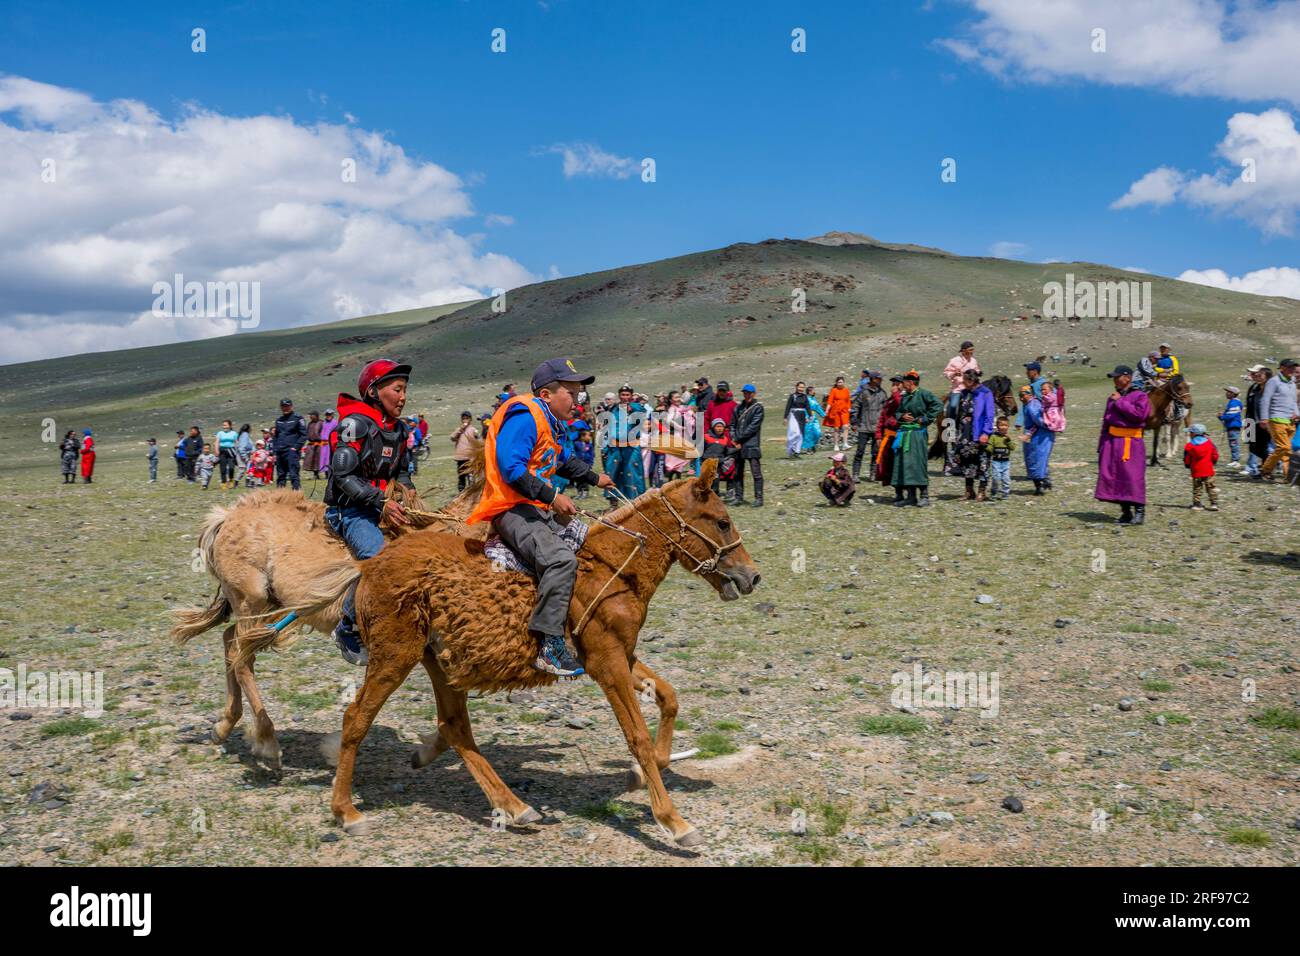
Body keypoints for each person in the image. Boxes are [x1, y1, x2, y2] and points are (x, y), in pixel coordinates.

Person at [467, 358, 614, 677]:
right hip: (510, 507)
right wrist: (552, 496)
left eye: (581, 396)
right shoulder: (526, 416)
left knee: (589, 542)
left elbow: (561, 460)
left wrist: (594, 478)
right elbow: (512, 468)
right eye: (573, 394)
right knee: (561, 560)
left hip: (534, 506)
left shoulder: (549, 421)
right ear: (546, 394)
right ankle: (550, 647)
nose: (578, 402)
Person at [325, 359, 419, 665]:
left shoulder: (399, 429)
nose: (403, 397)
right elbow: (343, 475)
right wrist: (380, 502)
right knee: (379, 559)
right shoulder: (354, 424)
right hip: (350, 510)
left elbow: (402, 470)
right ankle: (348, 626)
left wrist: (407, 489)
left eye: (405, 390)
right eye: (397, 389)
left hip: (381, 506)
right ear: (375, 391)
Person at [1096, 365, 1151, 525]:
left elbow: (1139, 416)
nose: (1114, 380)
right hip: (1112, 442)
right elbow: (1106, 421)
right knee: (1115, 476)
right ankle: (1125, 512)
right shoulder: (1113, 397)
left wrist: (1120, 402)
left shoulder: (1140, 396)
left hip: (1131, 443)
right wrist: (1102, 444)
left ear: (1127, 377)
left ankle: (1139, 511)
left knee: (1132, 477)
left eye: (1117, 377)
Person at [890, 371, 943, 506]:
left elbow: (938, 405)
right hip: (905, 433)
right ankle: (911, 496)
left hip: (917, 434)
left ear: (911, 382)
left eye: (904, 382)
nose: (902, 385)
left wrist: (925, 418)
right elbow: (897, 412)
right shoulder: (905, 397)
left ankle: (924, 496)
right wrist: (902, 416)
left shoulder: (924, 394)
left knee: (918, 463)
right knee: (906, 464)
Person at [946, 368, 995, 500]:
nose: (962, 382)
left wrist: (986, 432)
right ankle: (969, 491)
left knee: (982, 461)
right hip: (965, 432)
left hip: (979, 432)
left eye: (964, 380)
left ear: (971, 380)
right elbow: (958, 413)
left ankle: (982, 491)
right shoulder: (964, 393)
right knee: (967, 460)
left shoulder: (985, 393)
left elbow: (989, 414)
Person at [1256, 358, 1299, 482]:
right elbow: (1265, 400)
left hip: (1290, 420)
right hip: (1276, 418)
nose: (1292, 370)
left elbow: (1293, 401)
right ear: (1282, 368)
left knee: (1287, 450)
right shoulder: (1274, 381)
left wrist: (1297, 414)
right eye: (1289, 367)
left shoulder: (1291, 382)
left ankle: (1288, 476)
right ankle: (1266, 469)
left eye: (1293, 367)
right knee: (1283, 447)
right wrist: (1264, 418)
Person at [604, 384, 647, 503]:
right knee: (613, 472)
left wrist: (632, 409)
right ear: (619, 396)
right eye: (623, 395)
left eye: (627, 395)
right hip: (616, 447)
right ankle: (613, 502)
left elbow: (642, 413)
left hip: (631, 447)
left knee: (633, 472)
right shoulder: (614, 409)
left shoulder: (636, 407)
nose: (625, 397)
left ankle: (636, 501)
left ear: (631, 396)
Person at [730, 384, 765, 507]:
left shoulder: (758, 408)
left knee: (756, 472)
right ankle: (738, 497)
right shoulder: (738, 408)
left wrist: (738, 439)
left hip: (752, 444)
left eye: (749, 393)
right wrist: (734, 439)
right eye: (745, 393)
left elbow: (753, 427)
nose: (747, 395)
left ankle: (759, 498)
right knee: (738, 473)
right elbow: (732, 425)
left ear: (754, 393)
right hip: (739, 445)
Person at [850, 370, 886, 481]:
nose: (881, 380)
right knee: (860, 451)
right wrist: (854, 422)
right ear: (873, 379)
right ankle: (855, 474)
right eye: (879, 378)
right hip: (864, 426)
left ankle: (873, 473)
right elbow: (855, 407)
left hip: (877, 428)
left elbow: (886, 410)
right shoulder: (864, 392)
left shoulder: (882, 393)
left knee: (875, 452)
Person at [1019, 384, 1055, 494]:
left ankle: (1041, 485)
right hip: (1039, 435)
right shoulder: (1034, 403)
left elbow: (1040, 421)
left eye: (1022, 395)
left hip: (1040, 437)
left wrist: (1029, 433)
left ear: (1029, 394)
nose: (1021, 398)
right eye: (1020, 396)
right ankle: (1043, 483)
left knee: (1036, 460)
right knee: (1038, 460)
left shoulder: (1032, 405)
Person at [876, 375, 904, 493]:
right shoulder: (890, 400)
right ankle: (897, 490)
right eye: (893, 384)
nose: (894, 386)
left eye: (897, 384)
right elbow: (882, 417)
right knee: (888, 464)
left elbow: (899, 405)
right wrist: (878, 435)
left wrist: (896, 393)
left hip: (897, 436)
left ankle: (901, 490)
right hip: (887, 436)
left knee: (897, 464)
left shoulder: (902, 398)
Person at [1183, 423, 1220, 511]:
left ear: (1194, 434)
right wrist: (1213, 462)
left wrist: (1187, 464)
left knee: (1197, 488)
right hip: (1208, 470)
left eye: (1190, 432)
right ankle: (1214, 503)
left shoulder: (1189, 445)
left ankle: (1197, 504)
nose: (1189, 434)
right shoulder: (1209, 443)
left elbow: (1187, 458)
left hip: (1196, 471)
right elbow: (1215, 455)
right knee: (1211, 486)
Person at [271, 398, 307, 490]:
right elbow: (275, 437)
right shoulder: (279, 420)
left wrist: (296, 447)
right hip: (280, 452)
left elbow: (304, 435)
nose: (285, 408)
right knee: (281, 476)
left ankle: (297, 497)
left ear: (291, 406)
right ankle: (280, 498)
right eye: (283, 406)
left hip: (291, 452)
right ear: (281, 407)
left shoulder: (298, 418)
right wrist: (275, 452)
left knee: (293, 475)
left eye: (287, 406)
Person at [1243, 365, 1272, 476]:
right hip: (1250, 421)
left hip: (1264, 422)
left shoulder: (1270, 388)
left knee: (1263, 446)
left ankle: (1265, 470)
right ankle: (1264, 466)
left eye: (1256, 373)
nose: (1254, 375)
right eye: (1253, 373)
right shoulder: (1253, 388)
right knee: (1252, 447)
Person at [942, 341, 980, 422]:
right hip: (958, 389)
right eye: (970, 350)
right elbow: (946, 373)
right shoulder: (954, 360)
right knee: (953, 406)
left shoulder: (974, 361)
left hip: (971, 388)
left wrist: (978, 373)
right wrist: (954, 373)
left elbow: (977, 371)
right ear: (963, 350)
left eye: (973, 350)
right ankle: (950, 425)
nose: (972, 352)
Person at [702, 417, 738, 496]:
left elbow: (726, 451)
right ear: (713, 427)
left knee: (716, 480)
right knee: (706, 480)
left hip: (717, 464)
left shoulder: (724, 439)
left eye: (721, 427)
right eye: (717, 426)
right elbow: (701, 449)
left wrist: (736, 449)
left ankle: (714, 494)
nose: (719, 429)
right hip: (707, 462)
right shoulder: (706, 437)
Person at [451, 411, 479, 491]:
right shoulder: (459, 430)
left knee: (471, 477)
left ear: (470, 419)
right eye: (463, 419)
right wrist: (460, 429)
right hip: (460, 458)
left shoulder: (473, 430)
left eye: (467, 418)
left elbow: (478, 441)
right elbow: (452, 437)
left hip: (470, 458)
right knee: (461, 476)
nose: (465, 420)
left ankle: (472, 492)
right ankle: (461, 493)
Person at [987, 416, 1014, 500]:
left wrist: (1009, 441)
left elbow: (1013, 448)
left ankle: (1005, 493)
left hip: (1006, 462)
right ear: (998, 426)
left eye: (1006, 425)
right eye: (1002, 425)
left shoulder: (1008, 438)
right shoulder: (994, 437)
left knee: (1006, 479)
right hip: (996, 461)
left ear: (1008, 427)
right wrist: (987, 448)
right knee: (996, 477)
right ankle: (994, 492)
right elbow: (990, 446)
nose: (1004, 427)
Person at [824, 377, 852, 451]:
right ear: (836, 383)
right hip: (836, 411)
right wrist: (827, 409)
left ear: (843, 382)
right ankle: (836, 445)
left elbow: (848, 400)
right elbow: (830, 401)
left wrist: (849, 408)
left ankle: (845, 444)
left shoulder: (846, 390)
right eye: (839, 382)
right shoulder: (834, 390)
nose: (840, 383)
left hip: (844, 411)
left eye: (841, 382)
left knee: (846, 426)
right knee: (836, 428)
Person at [1218, 385, 1243, 469]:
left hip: (1233, 426)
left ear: (1233, 394)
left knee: (1234, 443)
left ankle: (1236, 460)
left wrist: (1221, 417)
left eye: (1228, 392)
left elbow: (1231, 415)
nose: (1226, 393)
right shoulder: (1233, 402)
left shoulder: (1234, 403)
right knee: (1232, 443)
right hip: (1231, 426)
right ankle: (1234, 459)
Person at [783, 382, 810, 457]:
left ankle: (797, 451)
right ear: (796, 387)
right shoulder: (792, 396)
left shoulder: (805, 397)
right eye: (800, 387)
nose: (801, 389)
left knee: (801, 434)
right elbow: (788, 407)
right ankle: (791, 449)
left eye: (803, 387)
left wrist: (810, 416)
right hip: (793, 415)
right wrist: (785, 417)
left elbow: (807, 407)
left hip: (802, 415)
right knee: (794, 433)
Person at [215, 419, 238, 489]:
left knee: (231, 467)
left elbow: (237, 442)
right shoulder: (220, 433)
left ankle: (231, 480)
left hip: (231, 451)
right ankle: (224, 482)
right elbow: (217, 442)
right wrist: (216, 450)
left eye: (225, 425)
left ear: (230, 426)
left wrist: (238, 451)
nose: (224, 427)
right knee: (223, 468)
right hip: (222, 451)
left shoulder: (234, 433)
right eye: (223, 425)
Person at [801, 385, 825, 454]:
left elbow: (817, 408)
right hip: (807, 418)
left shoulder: (813, 399)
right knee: (808, 433)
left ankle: (813, 445)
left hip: (814, 418)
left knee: (817, 432)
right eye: (813, 391)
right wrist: (805, 417)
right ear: (809, 392)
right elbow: (803, 409)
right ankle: (808, 448)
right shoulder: (805, 399)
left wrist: (824, 415)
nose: (814, 392)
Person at [302, 411, 326, 479]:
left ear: (316, 416)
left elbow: (324, 432)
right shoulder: (310, 423)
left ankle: (326, 474)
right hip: (312, 444)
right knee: (312, 460)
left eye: (312, 415)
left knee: (319, 459)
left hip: (320, 444)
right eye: (310, 415)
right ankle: (315, 474)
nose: (311, 416)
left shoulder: (321, 423)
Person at [319, 409, 337, 476]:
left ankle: (330, 473)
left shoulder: (335, 423)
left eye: (329, 414)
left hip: (330, 443)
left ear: (332, 415)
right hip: (323, 443)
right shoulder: (323, 423)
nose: (328, 416)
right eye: (327, 414)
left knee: (329, 458)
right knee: (323, 458)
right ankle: (325, 473)